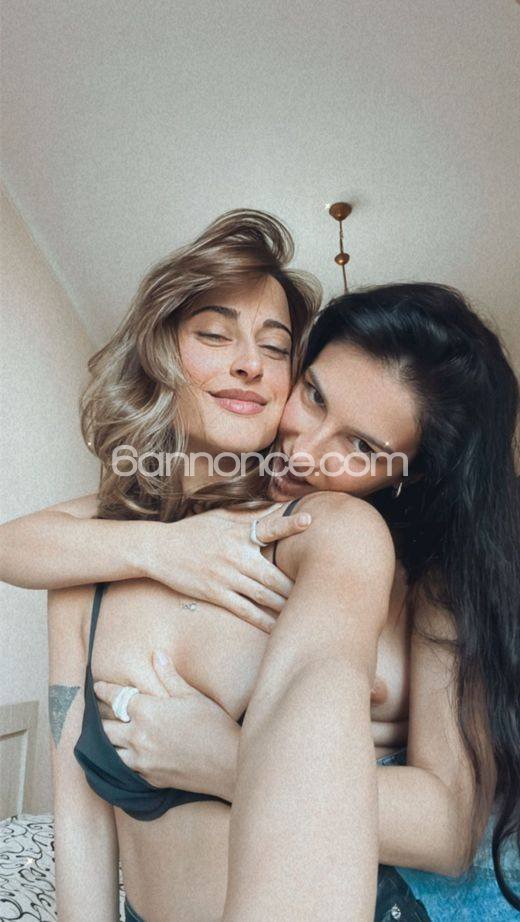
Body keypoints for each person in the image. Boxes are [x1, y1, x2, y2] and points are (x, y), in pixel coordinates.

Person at [1, 214, 519, 915]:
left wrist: (221, 757)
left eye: (362, 447)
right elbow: (81, 826)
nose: (305, 451)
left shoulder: (349, 538)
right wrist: (162, 546)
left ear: (407, 473)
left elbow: (445, 825)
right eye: (315, 395)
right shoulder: (90, 560)